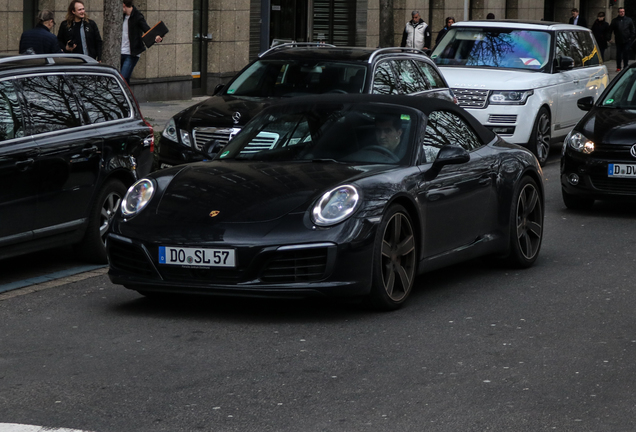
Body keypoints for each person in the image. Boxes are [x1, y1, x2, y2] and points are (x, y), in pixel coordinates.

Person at [121, 0, 162, 85]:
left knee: (123, 77)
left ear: (124, 5)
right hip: (121, 52)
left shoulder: (137, 16)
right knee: (125, 78)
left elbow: (146, 29)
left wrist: (156, 37)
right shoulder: (122, 17)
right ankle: (127, 97)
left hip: (131, 53)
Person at [610, 7, 636, 72]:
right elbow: (610, 29)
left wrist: (631, 37)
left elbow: (632, 29)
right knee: (618, 54)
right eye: (621, 11)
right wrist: (609, 38)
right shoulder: (615, 20)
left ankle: (625, 66)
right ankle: (618, 67)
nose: (622, 13)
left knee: (626, 53)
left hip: (627, 39)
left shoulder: (628, 20)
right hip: (618, 39)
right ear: (618, 12)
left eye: (623, 11)